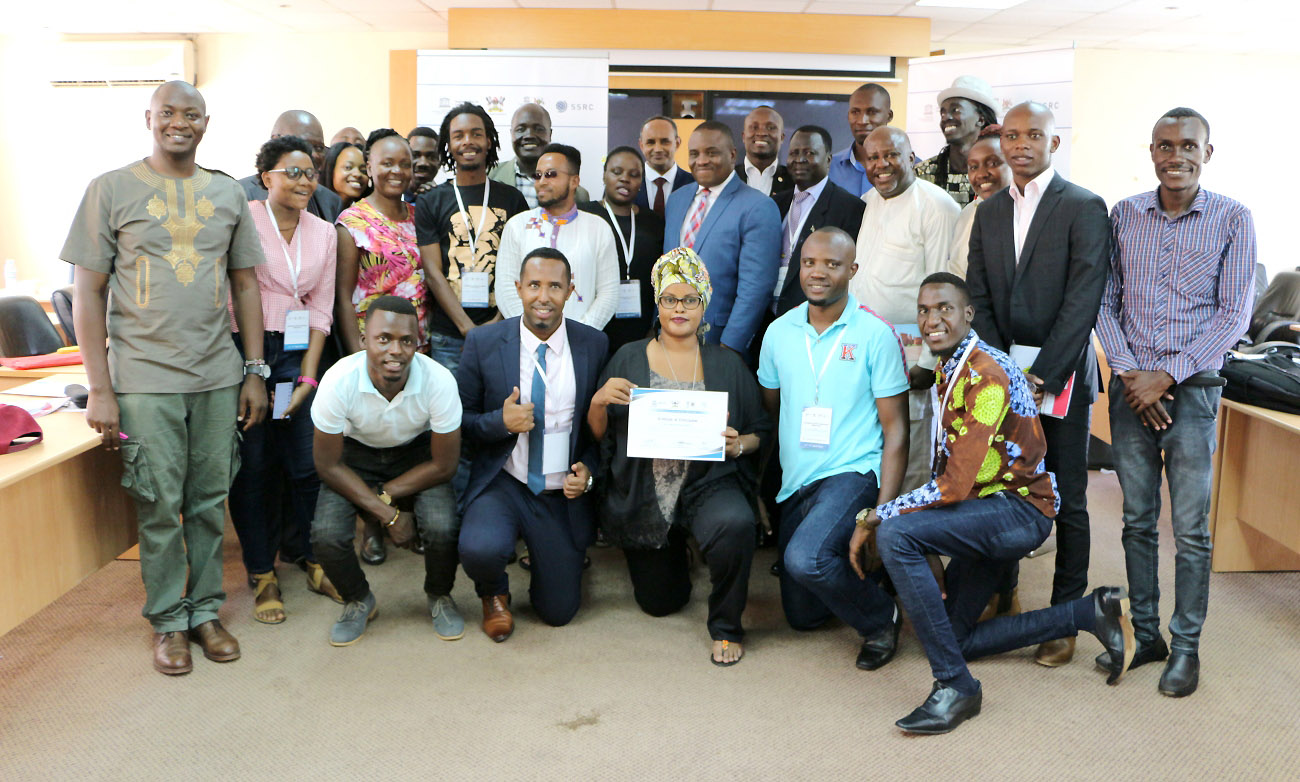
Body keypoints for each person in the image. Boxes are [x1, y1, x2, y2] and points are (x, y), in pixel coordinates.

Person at [62, 81, 269, 675]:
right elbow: (88, 291)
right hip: (143, 378)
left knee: (209, 501)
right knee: (157, 505)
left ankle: (205, 611)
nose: (181, 123)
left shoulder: (227, 193)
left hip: (215, 375)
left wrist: (253, 371)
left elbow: (247, 285)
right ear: (148, 117)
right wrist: (99, 386)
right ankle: (168, 622)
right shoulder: (110, 189)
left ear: (207, 123)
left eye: (192, 115)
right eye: (169, 113)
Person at [871, 273, 1135, 735]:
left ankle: (955, 688)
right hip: (986, 510)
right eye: (924, 311)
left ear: (968, 314)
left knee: (895, 533)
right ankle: (1087, 613)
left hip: (1015, 513)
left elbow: (952, 486)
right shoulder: (950, 365)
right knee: (952, 638)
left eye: (945, 309)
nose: (932, 320)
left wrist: (881, 512)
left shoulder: (985, 377)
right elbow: (950, 464)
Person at [1094, 108, 1257, 698]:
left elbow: (1233, 313)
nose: (1175, 155)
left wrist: (1167, 376)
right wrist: (1134, 375)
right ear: (1152, 151)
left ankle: (1185, 646)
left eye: (1188, 145)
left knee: (1190, 530)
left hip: (1191, 395)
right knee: (1136, 521)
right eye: (1164, 145)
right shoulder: (1125, 214)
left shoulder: (1233, 219)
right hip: (1130, 391)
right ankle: (1147, 635)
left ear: (1207, 153)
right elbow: (1105, 301)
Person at [966, 102, 1111, 668]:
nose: (1021, 144)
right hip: (1004, 377)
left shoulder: (1083, 207)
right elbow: (977, 292)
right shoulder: (990, 210)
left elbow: (1083, 301)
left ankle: (1065, 618)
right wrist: (1004, 374)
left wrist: (1040, 375)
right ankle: (1002, 590)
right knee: (1003, 484)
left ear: (1054, 142)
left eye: (1034, 135)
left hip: (1063, 376)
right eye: (1013, 134)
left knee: (1068, 497)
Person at [588, 248, 771, 666]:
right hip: (646, 490)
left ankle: (726, 626)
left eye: (690, 299)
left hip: (710, 482)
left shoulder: (727, 363)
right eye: (669, 299)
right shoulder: (628, 357)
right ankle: (680, 550)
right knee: (660, 602)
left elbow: (761, 433)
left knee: (734, 523)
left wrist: (737, 444)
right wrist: (598, 402)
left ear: (704, 303)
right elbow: (600, 436)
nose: (679, 309)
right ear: (657, 302)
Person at [758, 227, 910, 670]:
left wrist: (880, 514)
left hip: (853, 472)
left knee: (805, 559)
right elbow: (772, 410)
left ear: (852, 270)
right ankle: (869, 579)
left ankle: (884, 618)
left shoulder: (875, 334)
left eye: (832, 264)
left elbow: (897, 430)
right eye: (809, 263)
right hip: (796, 482)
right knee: (803, 616)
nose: (818, 272)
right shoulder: (777, 332)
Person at [457, 248, 609, 641]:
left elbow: (599, 431)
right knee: (479, 548)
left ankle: (560, 562)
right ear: (518, 289)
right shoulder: (483, 342)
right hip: (505, 481)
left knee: (558, 612)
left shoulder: (594, 345)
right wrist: (499, 422)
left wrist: (589, 473)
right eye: (535, 285)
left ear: (571, 291)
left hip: (560, 489)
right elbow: (459, 422)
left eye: (555, 286)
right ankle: (493, 594)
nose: (544, 296)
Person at [227, 135, 340, 624]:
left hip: (297, 355)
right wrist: (253, 367)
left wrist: (309, 378)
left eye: (310, 173)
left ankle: (312, 556)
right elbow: (235, 288)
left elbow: (321, 308)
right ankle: (261, 571)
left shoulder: (325, 232)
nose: (304, 180)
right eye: (291, 172)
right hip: (244, 351)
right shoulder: (245, 219)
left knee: (306, 465)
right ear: (266, 177)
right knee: (253, 468)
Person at [309, 296, 463, 646]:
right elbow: (326, 464)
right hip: (353, 458)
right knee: (326, 535)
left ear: (418, 342)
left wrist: (384, 495)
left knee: (442, 526)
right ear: (364, 340)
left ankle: (440, 595)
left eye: (406, 341)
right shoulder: (338, 381)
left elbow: (445, 464)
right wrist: (389, 515)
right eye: (384, 339)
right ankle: (358, 599)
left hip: (416, 456)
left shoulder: (439, 381)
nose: (395, 350)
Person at [849, 126, 960, 493]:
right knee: (873, 442)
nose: (881, 165)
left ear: (911, 158)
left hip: (911, 350)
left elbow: (943, 291)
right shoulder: (869, 201)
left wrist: (929, 362)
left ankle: (903, 540)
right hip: (867, 344)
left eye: (891, 155)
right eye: (873, 157)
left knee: (910, 448)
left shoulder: (937, 205)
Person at [415, 102, 529, 374]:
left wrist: (500, 319)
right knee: (451, 414)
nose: (468, 142)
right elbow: (433, 272)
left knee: (498, 410)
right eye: (459, 135)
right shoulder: (431, 202)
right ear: (448, 144)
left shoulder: (512, 199)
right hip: (448, 335)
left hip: (503, 329)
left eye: (476, 134)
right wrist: (467, 328)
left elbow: (523, 267)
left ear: (489, 140)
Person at [663, 121, 782, 356]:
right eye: (694, 154)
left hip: (718, 341)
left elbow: (756, 287)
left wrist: (731, 346)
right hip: (669, 337)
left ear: (732, 154)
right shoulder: (677, 200)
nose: (702, 160)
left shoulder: (758, 206)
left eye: (712, 153)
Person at [496, 144, 620, 329]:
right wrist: (532, 333)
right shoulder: (517, 226)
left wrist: (579, 334)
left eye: (551, 174)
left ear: (574, 181)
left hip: (581, 342)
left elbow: (608, 293)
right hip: (525, 343)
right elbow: (506, 289)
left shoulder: (598, 228)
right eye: (538, 175)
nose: (542, 182)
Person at [335, 134, 429, 356]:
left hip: (420, 345)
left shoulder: (421, 218)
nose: (396, 171)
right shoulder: (352, 222)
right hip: (374, 350)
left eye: (404, 164)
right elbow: (343, 298)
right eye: (387, 163)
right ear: (369, 168)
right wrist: (357, 356)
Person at [578, 146, 666, 352]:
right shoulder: (585, 215)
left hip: (641, 328)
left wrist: (656, 325)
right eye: (616, 172)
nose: (624, 179)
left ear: (641, 182)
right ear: (604, 176)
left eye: (634, 175)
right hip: (592, 324)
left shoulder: (653, 222)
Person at [772, 125, 866, 317]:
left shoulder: (850, 208)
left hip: (816, 316)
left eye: (809, 153)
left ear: (828, 159)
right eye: (794, 153)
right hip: (766, 318)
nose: (799, 159)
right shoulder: (774, 203)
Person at [240, 110, 342, 222]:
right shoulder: (240, 193)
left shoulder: (331, 202)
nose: (313, 154)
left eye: (319, 148)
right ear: (275, 140)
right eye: (303, 145)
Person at [914, 76, 999, 208]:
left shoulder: (1001, 172)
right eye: (943, 113)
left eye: (956, 110)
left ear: (981, 119)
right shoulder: (923, 174)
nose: (946, 117)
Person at [489, 103, 589, 208]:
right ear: (511, 134)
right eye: (520, 129)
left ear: (549, 134)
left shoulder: (578, 195)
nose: (529, 135)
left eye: (538, 129)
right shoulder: (489, 176)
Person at [948, 125, 1012, 278]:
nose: (981, 174)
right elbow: (956, 270)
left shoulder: (1028, 215)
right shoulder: (968, 213)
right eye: (973, 167)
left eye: (993, 163)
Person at [829, 83, 895, 198]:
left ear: (889, 116)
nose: (862, 121)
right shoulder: (828, 168)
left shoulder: (911, 168)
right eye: (855, 112)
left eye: (872, 112)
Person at [635, 115, 695, 218]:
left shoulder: (695, 185)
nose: (658, 149)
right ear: (641, 145)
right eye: (651, 142)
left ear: (677, 143)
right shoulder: (627, 185)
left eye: (665, 142)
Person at [735, 106, 793, 197]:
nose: (762, 133)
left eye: (770, 128)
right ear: (743, 136)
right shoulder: (728, 178)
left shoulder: (794, 181)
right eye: (754, 127)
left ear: (782, 138)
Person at [321, 141, 368, 211]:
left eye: (363, 170)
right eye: (348, 167)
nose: (357, 174)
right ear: (331, 170)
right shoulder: (313, 206)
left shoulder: (366, 213)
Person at [407, 126, 440, 202]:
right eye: (415, 155)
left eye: (431, 156)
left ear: (439, 162)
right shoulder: (391, 199)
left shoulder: (446, 200)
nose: (423, 163)